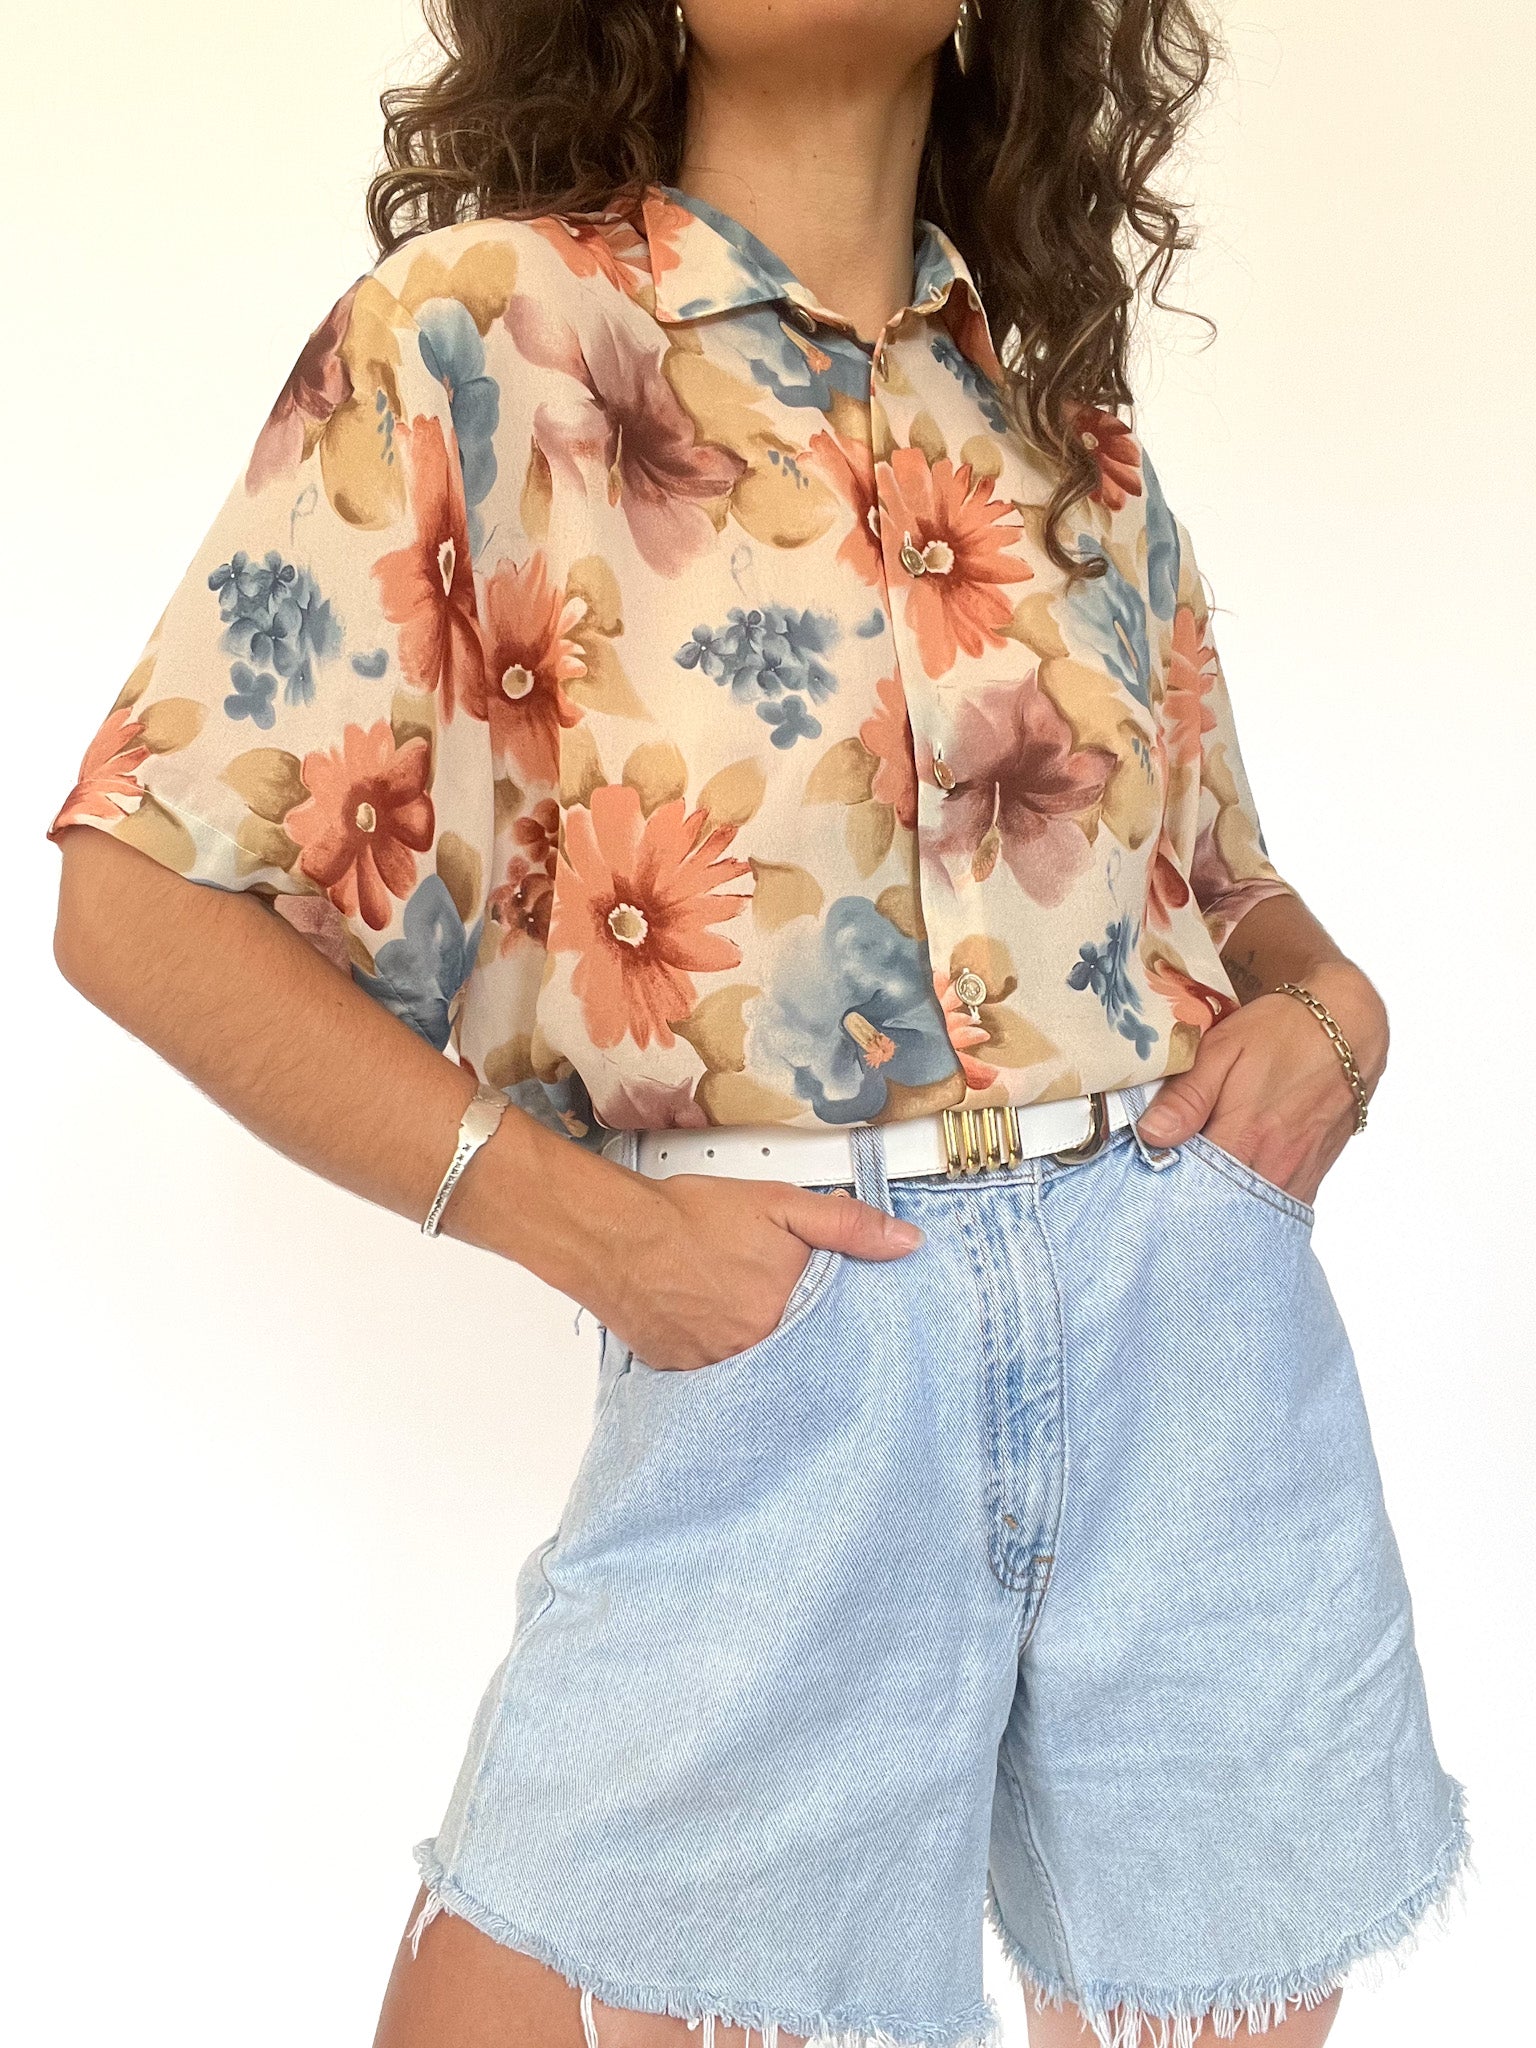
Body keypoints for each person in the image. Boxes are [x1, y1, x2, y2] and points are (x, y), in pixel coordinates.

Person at [46, 3, 1468, 2045]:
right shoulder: (480, 337)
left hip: (1190, 1353)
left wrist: (1340, 1016)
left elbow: (1224, 886)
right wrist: (594, 1232)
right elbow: (137, 900)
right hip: (797, 1360)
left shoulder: (1061, 433)